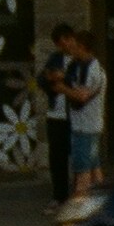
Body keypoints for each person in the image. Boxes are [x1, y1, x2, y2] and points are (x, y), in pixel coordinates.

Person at [66, 29, 109, 192]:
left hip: (86, 127)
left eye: (74, 46)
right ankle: (101, 199)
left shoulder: (93, 70)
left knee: (82, 172)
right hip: (85, 124)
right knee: (94, 167)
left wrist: (61, 88)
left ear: (82, 47)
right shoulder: (79, 67)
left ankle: (80, 200)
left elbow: (82, 96)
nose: (71, 50)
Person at [40, 24, 78, 203]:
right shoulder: (55, 58)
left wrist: (64, 78)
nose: (64, 47)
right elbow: (41, 78)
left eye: (65, 42)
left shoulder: (80, 59)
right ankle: (59, 196)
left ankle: (79, 195)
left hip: (75, 114)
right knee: (57, 158)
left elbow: (82, 81)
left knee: (78, 157)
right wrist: (49, 78)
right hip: (56, 113)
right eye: (60, 44)